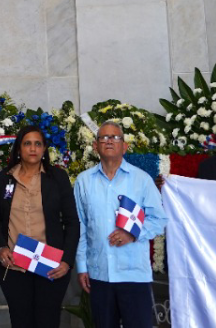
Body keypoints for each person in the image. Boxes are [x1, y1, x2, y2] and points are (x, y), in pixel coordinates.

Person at [74, 121, 166, 328]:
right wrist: (82, 266)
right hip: (99, 274)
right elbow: (80, 226)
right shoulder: (83, 181)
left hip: (133, 273)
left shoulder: (141, 180)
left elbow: (159, 219)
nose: (108, 141)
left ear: (124, 146)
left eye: (115, 137)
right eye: (103, 137)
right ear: (95, 146)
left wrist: (132, 234)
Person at [0, 125, 79, 328]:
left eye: (38, 144)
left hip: (50, 267)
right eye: (27, 143)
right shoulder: (6, 178)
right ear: (19, 149)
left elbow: (72, 222)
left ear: (44, 149)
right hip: (14, 267)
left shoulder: (57, 178)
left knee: (48, 321)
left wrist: (67, 261)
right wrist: (1, 248)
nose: (33, 148)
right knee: (21, 322)